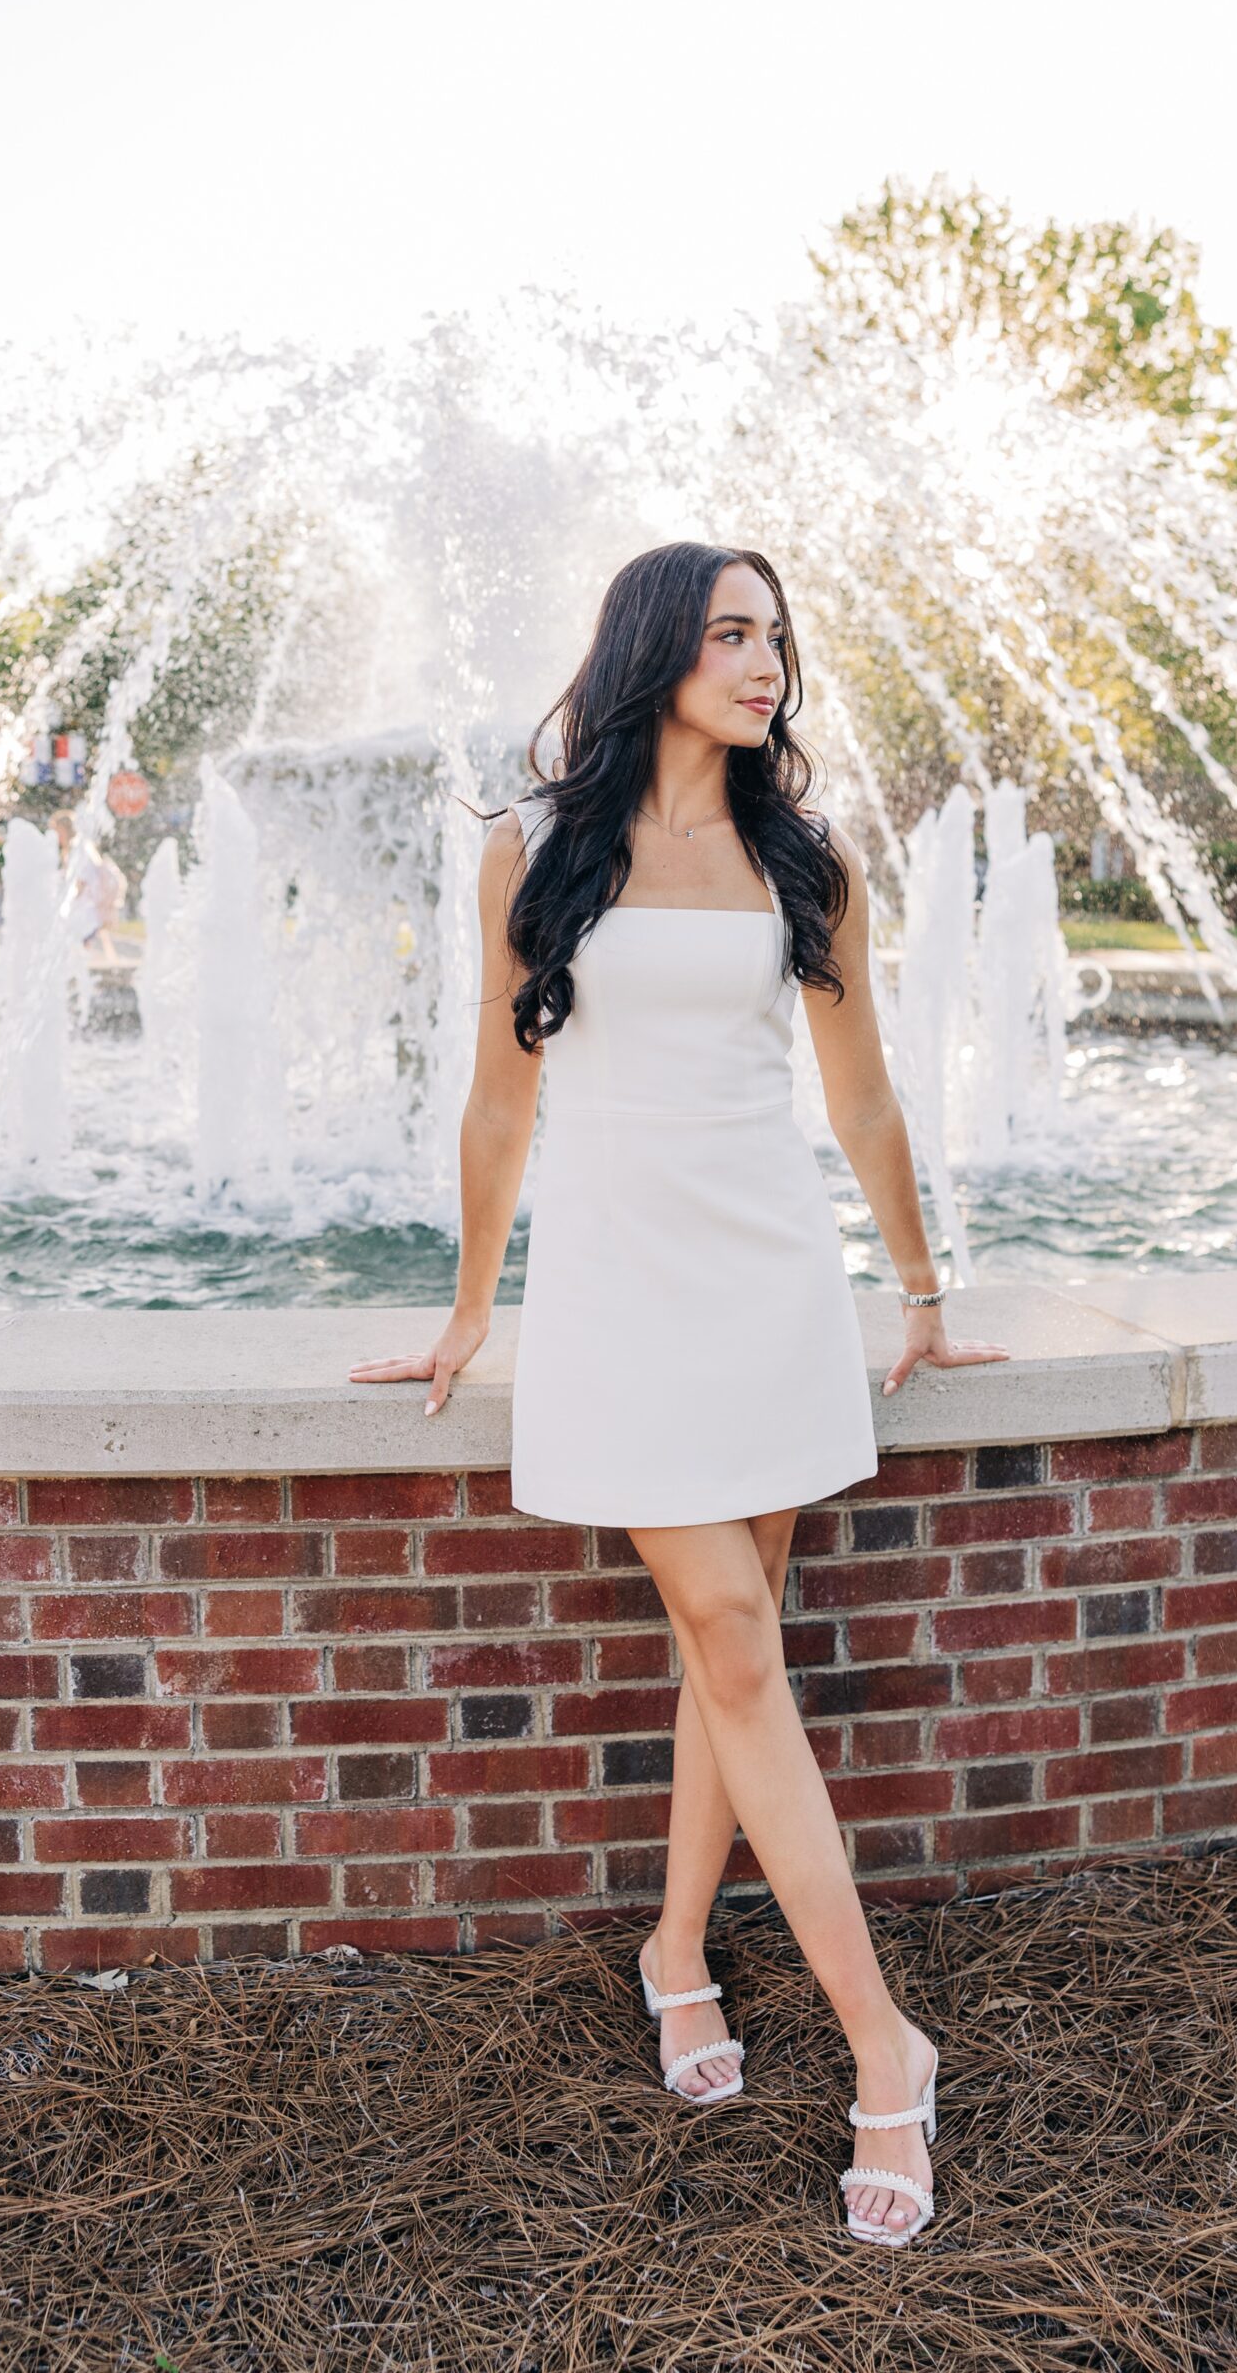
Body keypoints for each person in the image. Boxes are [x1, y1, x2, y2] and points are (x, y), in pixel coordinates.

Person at [349, 542, 1010, 2248]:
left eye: (776, 637)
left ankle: (670, 1950)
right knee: (726, 1631)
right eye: (729, 632)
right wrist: (465, 1309)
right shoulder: (535, 844)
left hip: (768, 1283)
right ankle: (887, 2042)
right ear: (653, 645)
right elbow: (500, 1105)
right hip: (615, 1293)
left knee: (739, 1651)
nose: (763, 660)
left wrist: (922, 1290)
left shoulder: (805, 857)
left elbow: (861, 1105)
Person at [49, 810, 128, 964]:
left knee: (71, 935)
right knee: (76, 940)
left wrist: (68, 900)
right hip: (89, 905)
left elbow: (82, 881)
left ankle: (79, 971)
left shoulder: (77, 849)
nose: (56, 836)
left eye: (57, 831)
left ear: (64, 830)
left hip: (87, 906)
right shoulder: (81, 847)